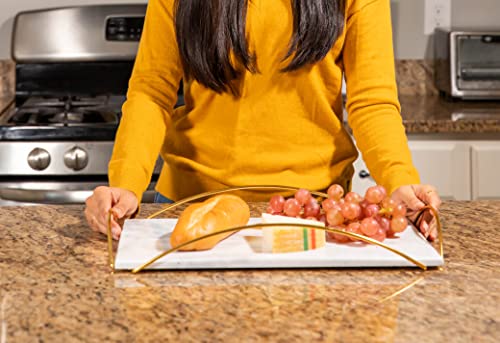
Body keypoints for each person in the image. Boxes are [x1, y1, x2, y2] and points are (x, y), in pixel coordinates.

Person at [85, 0, 442, 241]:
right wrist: (126, 184)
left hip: (314, 211)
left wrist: (400, 179)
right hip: (192, 208)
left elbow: (372, 101)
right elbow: (152, 91)